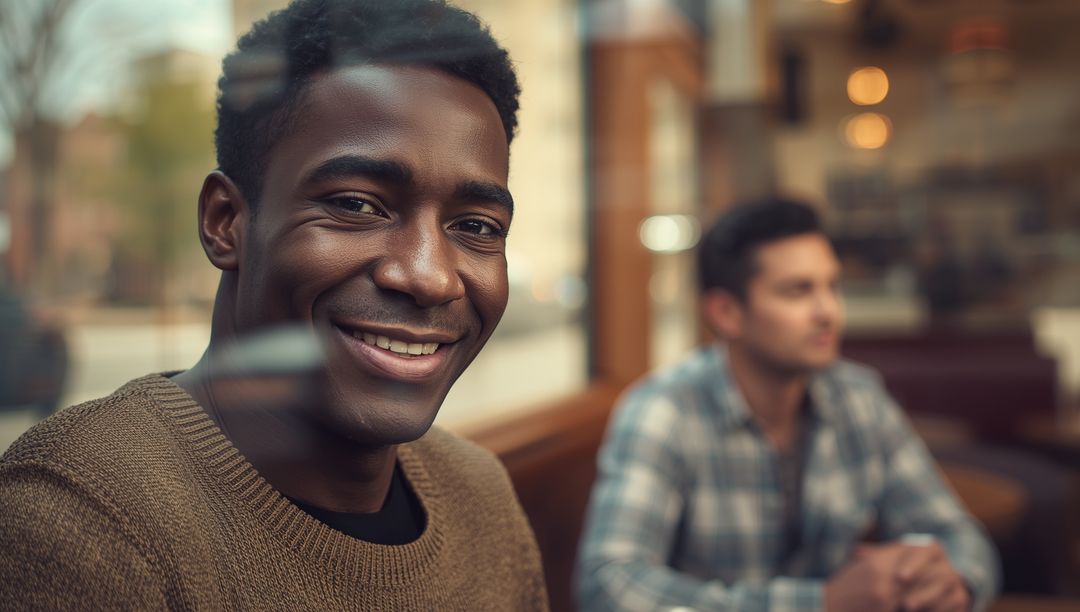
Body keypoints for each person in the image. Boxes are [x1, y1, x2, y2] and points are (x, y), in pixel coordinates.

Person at [0, 1, 549, 609]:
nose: (428, 276)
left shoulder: (480, 495)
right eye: (358, 205)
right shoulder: (83, 520)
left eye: (475, 225)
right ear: (225, 221)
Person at [576, 198, 999, 611]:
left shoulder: (859, 397)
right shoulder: (662, 410)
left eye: (832, 286)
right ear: (726, 312)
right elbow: (607, 584)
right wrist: (820, 603)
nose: (828, 311)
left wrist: (952, 581)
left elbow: (958, 534)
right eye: (799, 291)